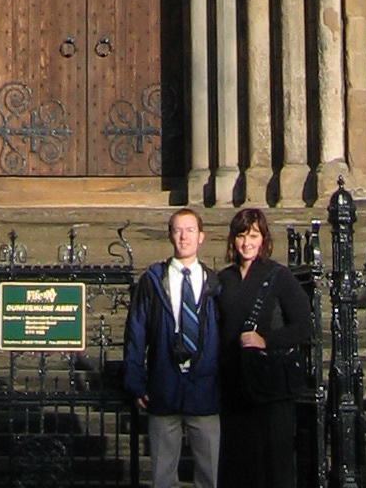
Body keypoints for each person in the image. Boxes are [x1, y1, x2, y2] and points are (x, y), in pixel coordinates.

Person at [214, 205, 313, 488]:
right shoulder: (223, 280)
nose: (247, 243)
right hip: (234, 388)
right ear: (233, 240)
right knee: (237, 467)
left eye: (254, 236)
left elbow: (303, 325)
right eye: (242, 235)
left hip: (270, 389)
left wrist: (266, 341)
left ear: (264, 240)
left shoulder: (278, 276)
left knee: (273, 467)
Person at [123, 205, 221, 488]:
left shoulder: (214, 283)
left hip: (204, 391)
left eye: (190, 230)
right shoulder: (153, 281)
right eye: (178, 230)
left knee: (209, 475)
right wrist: (135, 380)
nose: (184, 237)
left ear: (201, 236)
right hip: (164, 387)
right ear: (170, 236)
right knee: (163, 477)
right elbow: (136, 331)